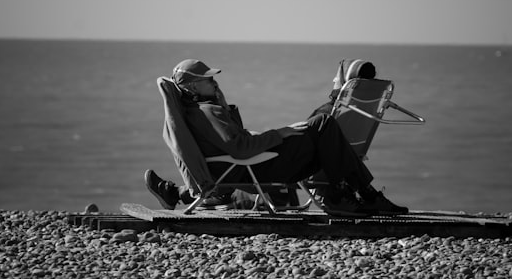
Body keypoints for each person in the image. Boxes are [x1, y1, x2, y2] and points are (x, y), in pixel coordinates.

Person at [144, 59, 407, 217]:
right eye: (207, 79)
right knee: (322, 124)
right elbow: (241, 150)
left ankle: (353, 195)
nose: (214, 82)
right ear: (191, 86)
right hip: (255, 169)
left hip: (243, 169)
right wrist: (279, 134)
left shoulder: (197, 111)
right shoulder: (207, 111)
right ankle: (359, 195)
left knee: (320, 128)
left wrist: (276, 134)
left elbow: (235, 144)